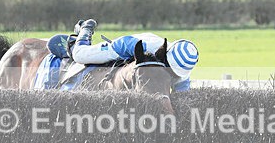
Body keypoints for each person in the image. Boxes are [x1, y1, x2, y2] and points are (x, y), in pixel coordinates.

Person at [46, 18, 199, 92]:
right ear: (166, 58)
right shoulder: (145, 46)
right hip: (126, 47)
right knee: (80, 56)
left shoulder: (182, 71)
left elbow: (181, 96)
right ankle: (84, 31)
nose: (172, 73)